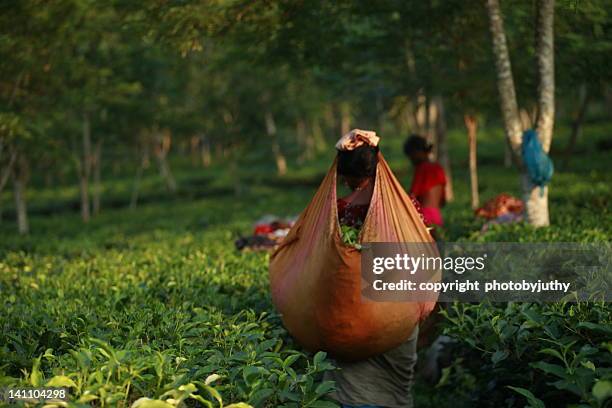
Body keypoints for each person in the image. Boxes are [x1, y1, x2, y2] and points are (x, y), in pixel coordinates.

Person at [325, 129, 419, 408]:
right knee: (394, 389)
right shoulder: (406, 208)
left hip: (355, 311)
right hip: (398, 311)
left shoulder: (342, 211)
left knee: (355, 388)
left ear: (346, 175)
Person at [403, 135, 447, 228]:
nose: (411, 160)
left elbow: (412, 196)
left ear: (417, 152)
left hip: (424, 217)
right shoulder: (439, 168)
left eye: (411, 156)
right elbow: (443, 201)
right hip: (437, 218)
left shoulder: (422, 168)